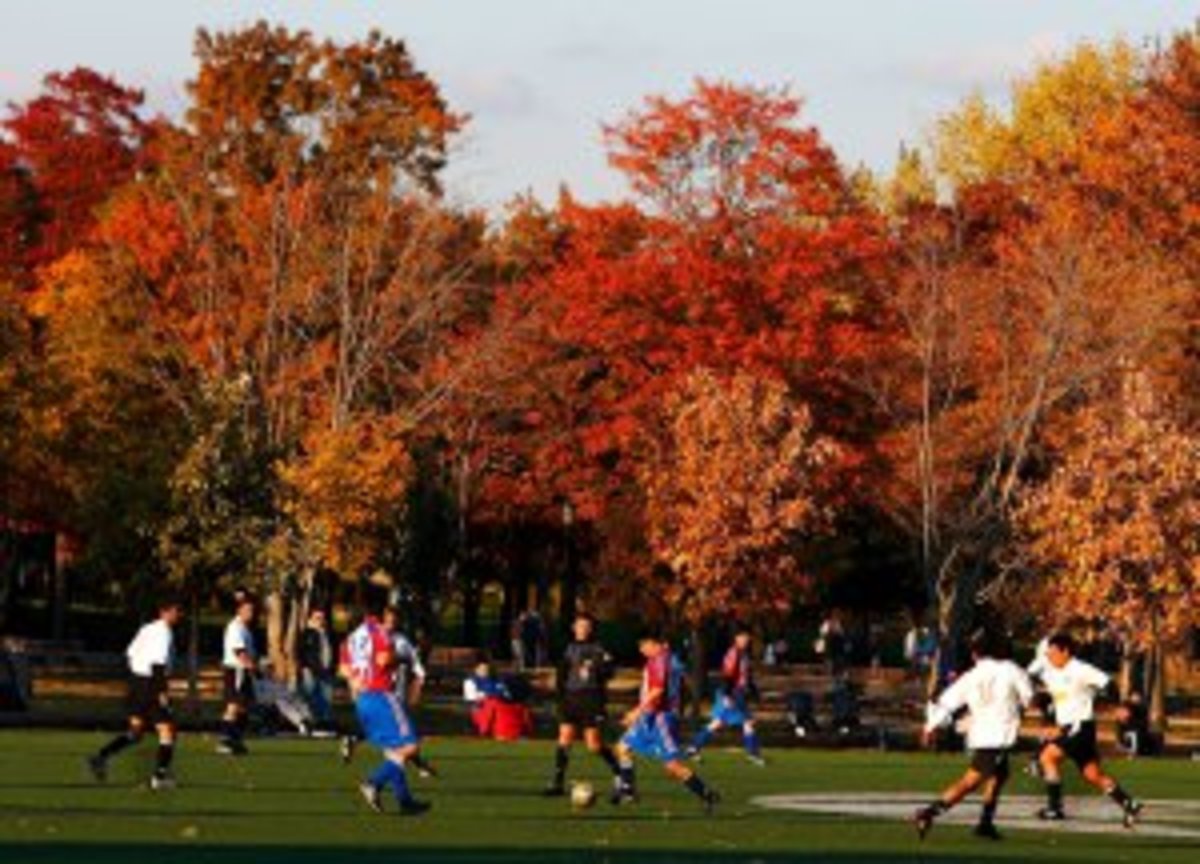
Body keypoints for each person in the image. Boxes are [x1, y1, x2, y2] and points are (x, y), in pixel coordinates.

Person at [914, 630, 1033, 842]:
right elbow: (1029, 696)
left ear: (976, 655)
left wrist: (930, 726)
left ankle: (985, 824)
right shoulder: (1011, 669)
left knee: (998, 776)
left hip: (982, 735)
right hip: (999, 736)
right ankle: (928, 813)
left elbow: (946, 702)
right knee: (970, 781)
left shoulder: (970, 676)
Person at [1032, 633, 1142, 827]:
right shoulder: (1052, 672)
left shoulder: (1080, 669)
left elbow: (1109, 684)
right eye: (1048, 654)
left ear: (1065, 651)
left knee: (1047, 757)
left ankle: (1054, 808)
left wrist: (1118, 706)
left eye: (1053, 653)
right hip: (1071, 727)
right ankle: (1129, 803)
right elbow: (1052, 698)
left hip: (1080, 726)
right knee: (1093, 774)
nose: (1050, 657)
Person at [611, 629, 720, 813]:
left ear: (656, 644)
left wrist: (636, 711)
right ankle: (628, 791)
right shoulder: (670, 659)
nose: (642, 650)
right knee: (622, 748)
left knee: (672, 765)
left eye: (644, 645)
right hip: (652, 715)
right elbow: (680, 686)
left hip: (660, 718)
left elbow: (658, 690)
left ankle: (706, 794)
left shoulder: (660, 660)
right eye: (640, 646)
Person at [340, 607, 431, 816]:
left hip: (363, 699)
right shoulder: (378, 632)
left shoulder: (350, 639)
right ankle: (373, 783)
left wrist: (358, 682)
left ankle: (405, 801)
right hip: (382, 695)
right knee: (410, 747)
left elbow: (345, 670)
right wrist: (399, 659)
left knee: (394, 751)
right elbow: (383, 659)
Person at [87, 597, 183, 790]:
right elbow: (158, 664)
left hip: (136, 683)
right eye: (176, 610)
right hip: (151, 684)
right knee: (168, 731)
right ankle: (160, 777)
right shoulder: (164, 632)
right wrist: (162, 692)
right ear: (164, 612)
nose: (180, 615)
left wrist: (134, 682)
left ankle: (101, 757)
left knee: (136, 732)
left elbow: (130, 654)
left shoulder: (147, 628)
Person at [543, 612, 622, 796]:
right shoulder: (568, 648)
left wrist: (597, 669)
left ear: (591, 629)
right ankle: (557, 782)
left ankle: (620, 774)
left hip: (591, 699)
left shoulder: (599, 648)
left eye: (586, 626)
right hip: (570, 699)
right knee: (564, 738)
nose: (583, 629)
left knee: (593, 745)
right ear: (574, 628)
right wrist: (559, 697)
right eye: (580, 626)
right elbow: (561, 674)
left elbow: (610, 671)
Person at [686, 625, 764, 765]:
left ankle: (693, 747)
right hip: (732, 693)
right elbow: (727, 675)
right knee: (742, 722)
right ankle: (753, 754)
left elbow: (745, 676)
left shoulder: (743, 654)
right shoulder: (734, 653)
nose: (746, 639)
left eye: (747, 637)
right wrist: (727, 695)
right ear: (736, 638)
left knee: (723, 723)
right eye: (743, 637)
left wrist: (753, 691)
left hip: (736, 693)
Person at [381, 606, 437, 779]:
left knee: (402, 739)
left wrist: (419, 682)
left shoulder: (402, 640)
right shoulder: (375, 639)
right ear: (384, 619)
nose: (391, 623)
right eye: (389, 620)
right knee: (404, 739)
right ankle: (379, 780)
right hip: (381, 695)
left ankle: (417, 766)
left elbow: (416, 664)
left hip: (397, 696)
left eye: (394, 620)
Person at [218, 593, 258, 755]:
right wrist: (252, 666)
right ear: (239, 610)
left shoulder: (244, 627)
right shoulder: (235, 627)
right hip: (236, 670)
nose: (251, 613)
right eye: (247, 610)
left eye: (252, 610)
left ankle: (236, 739)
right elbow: (239, 651)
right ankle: (225, 740)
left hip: (243, 671)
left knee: (243, 707)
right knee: (233, 706)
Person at [299, 608, 335, 730]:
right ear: (311, 619)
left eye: (322, 618)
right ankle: (314, 722)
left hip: (326, 671)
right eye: (317, 618)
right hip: (311, 671)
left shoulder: (326, 633)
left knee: (326, 698)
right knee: (312, 697)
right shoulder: (308, 633)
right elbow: (307, 654)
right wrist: (314, 669)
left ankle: (326, 722)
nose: (321, 621)